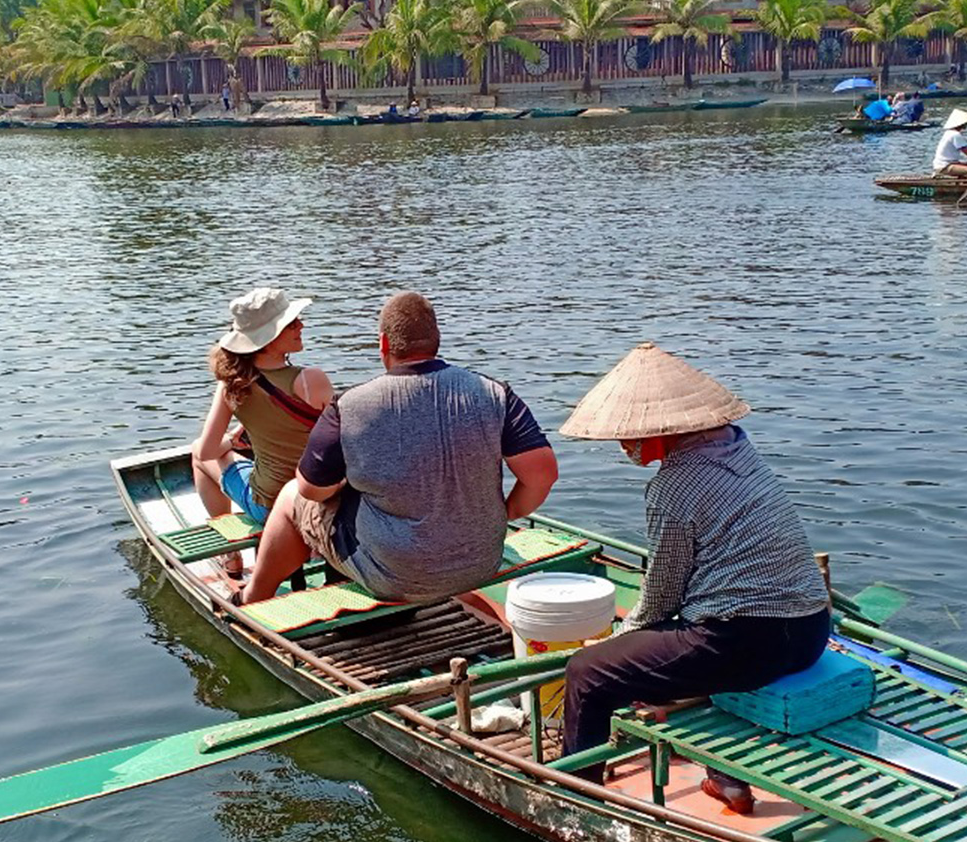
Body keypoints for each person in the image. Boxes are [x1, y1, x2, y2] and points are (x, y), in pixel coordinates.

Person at [555, 343, 831, 791]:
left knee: (588, 673)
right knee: (661, 654)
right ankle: (722, 770)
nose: (627, 444)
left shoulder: (673, 486)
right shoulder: (740, 447)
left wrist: (616, 641)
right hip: (812, 630)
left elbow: (660, 599)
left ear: (663, 430)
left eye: (634, 434)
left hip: (743, 643)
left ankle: (575, 789)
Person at [239, 292, 559, 605]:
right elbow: (542, 474)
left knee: (290, 495)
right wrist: (507, 513)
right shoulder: (495, 394)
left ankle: (254, 596)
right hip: (483, 563)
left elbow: (312, 490)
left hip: (393, 577)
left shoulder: (350, 406)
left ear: (383, 344)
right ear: (436, 340)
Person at [193, 289, 335, 577]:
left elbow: (206, 452)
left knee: (197, 456)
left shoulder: (232, 386)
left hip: (268, 507)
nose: (301, 326)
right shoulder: (312, 381)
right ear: (269, 338)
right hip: (318, 502)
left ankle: (230, 555)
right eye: (292, 323)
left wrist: (230, 442)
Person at [932, 108, 967, 175]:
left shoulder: (949, 133)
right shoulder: (955, 134)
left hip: (950, 164)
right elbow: (966, 151)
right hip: (944, 167)